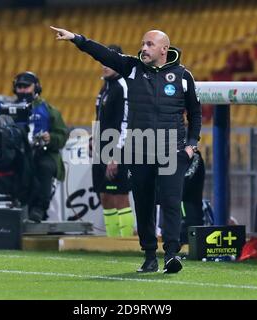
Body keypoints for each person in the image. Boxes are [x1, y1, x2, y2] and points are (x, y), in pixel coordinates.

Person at [50, 26, 202, 274]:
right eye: (143, 43)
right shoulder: (132, 67)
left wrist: (191, 144)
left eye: (150, 44)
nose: (143, 48)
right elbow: (103, 54)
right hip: (139, 150)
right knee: (143, 203)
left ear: (164, 49)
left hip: (171, 150)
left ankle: (172, 254)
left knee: (172, 201)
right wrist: (77, 39)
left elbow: (195, 113)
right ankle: (150, 255)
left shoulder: (183, 76)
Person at [0, 71, 68, 222]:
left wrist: (51, 138)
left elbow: (62, 136)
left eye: (26, 86)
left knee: (44, 166)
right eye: (20, 87)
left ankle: (39, 208)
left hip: (43, 153)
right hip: (16, 154)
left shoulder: (49, 110)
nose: (23, 90)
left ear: (36, 87)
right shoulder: (6, 110)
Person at [91, 44, 135, 237]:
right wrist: (95, 136)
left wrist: (116, 155)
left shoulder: (123, 86)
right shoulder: (105, 87)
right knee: (105, 196)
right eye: (103, 62)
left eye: (109, 61)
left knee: (119, 196)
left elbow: (126, 122)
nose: (104, 65)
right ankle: (112, 241)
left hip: (118, 150)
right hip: (102, 149)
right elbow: (103, 118)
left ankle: (125, 243)